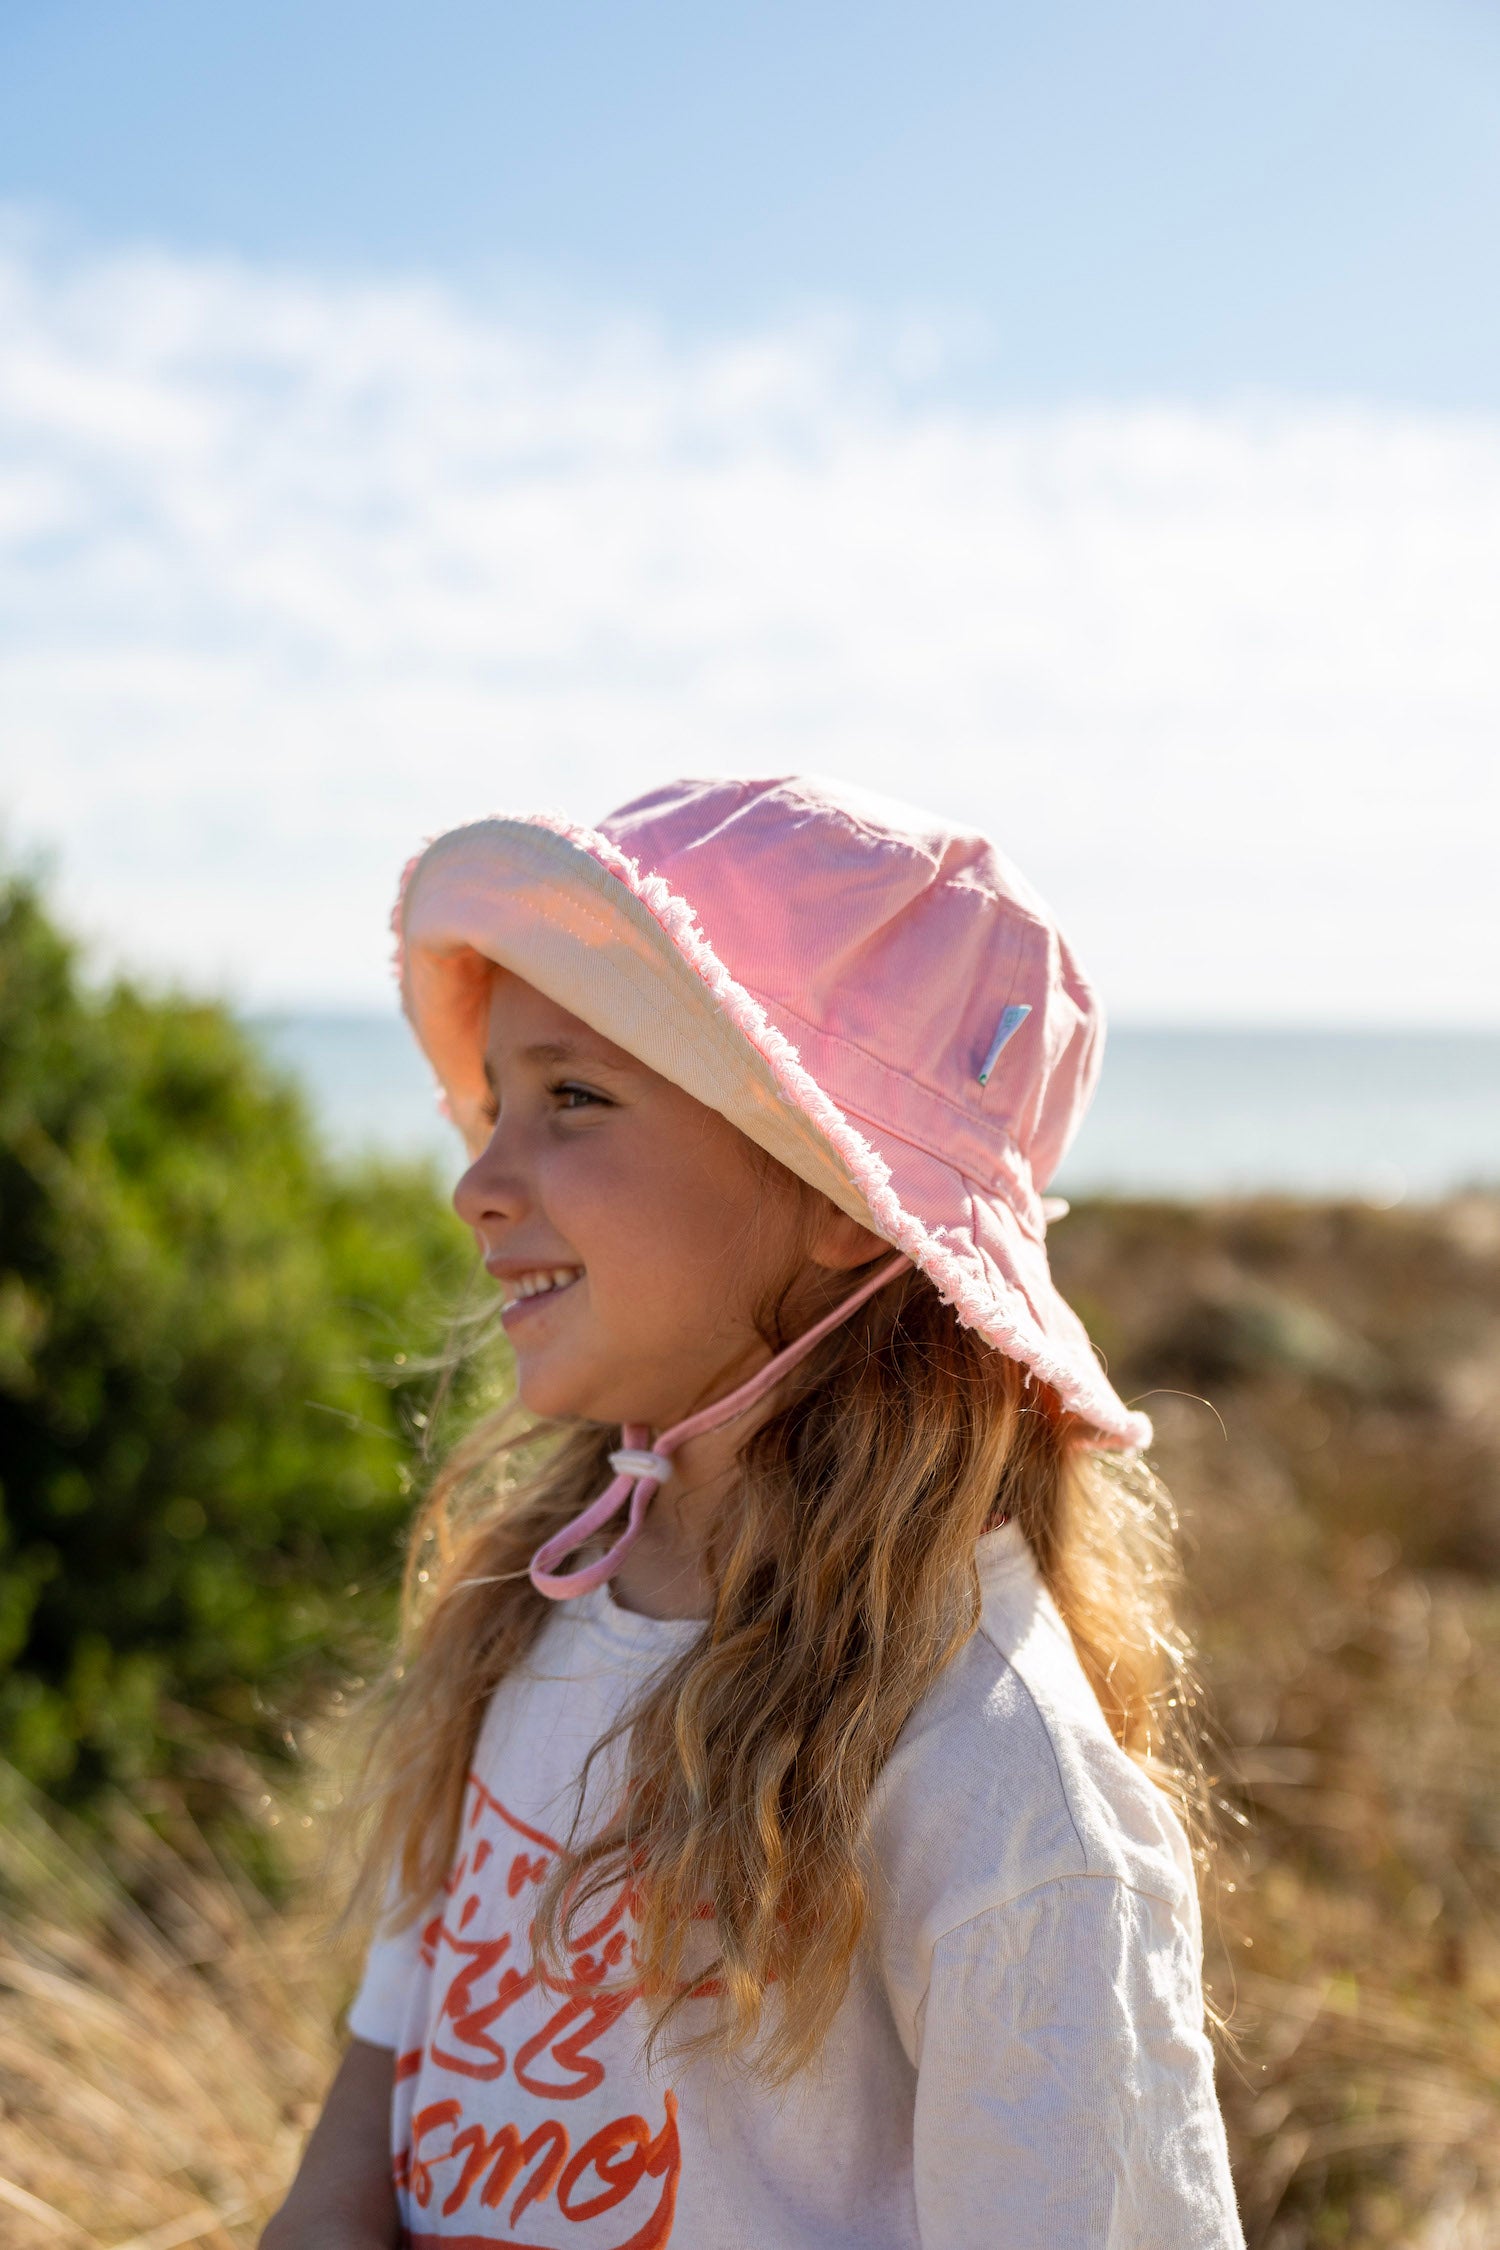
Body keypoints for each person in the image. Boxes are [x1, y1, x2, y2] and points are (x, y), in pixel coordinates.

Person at [264, 774, 1244, 2250]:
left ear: (843, 1195)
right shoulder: (538, 1606)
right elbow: (377, 2107)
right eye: (494, 1105)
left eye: (573, 1099)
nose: (477, 1179)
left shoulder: (989, 1778)